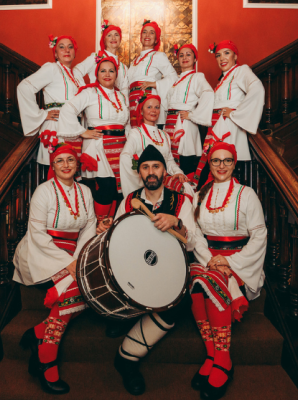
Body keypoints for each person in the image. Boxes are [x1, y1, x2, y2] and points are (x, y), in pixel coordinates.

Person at [97, 145, 195, 395]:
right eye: (145, 167)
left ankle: (127, 357)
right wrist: (106, 228)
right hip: (135, 266)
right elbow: (116, 237)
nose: (151, 172)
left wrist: (178, 222)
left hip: (169, 270)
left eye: (156, 166)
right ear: (138, 172)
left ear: (164, 171)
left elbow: (193, 240)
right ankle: (123, 314)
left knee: (182, 299)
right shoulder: (130, 200)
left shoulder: (181, 200)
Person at [13, 142, 96, 395]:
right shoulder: (42, 191)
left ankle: (39, 333)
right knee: (75, 286)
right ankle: (46, 359)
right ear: (53, 165)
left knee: (90, 285)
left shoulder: (85, 191)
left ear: (77, 163)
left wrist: (79, 259)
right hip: (40, 252)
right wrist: (67, 264)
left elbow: (89, 227)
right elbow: (37, 235)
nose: (66, 165)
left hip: (74, 252)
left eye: (70, 160)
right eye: (60, 161)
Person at [189, 142, 267, 400]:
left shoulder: (247, 194)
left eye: (227, 160)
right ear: (209, 164)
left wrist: (229, 263)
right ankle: (212, 353)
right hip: (209, 259)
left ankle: (223, 360)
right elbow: (197, 234)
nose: (221, 165)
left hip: (239, 263)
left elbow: (258, 235)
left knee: (212, 281)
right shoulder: (200, 194)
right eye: (216, 161)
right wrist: (212, 259)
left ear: (234, 163)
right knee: (196, 283)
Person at [58, 52, 130, 222]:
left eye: (111, 71)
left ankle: (111, 226)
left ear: (116, 74)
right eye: (103, 71)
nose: (107, 74)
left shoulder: (120, 96)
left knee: (118, 190)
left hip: (120, 147)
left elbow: (126, 124)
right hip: (99, 146)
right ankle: (99, 225)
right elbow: (68, 109)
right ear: (96, 74)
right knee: (106, 187)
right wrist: (82, 132)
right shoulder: (90, 93)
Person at [192, 40, 265, 188]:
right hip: (215, 126)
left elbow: (257, 88)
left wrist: (236, 113)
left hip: (227, 127)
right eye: (218, 55)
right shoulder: (223, 79)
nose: (222, 58)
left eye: (227, 53)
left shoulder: (241, 71)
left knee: (224, 165)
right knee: (212, 168)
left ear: (235, 56)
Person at [17, 35, 85, 181]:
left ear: (75, 52)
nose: (66, 50)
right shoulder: (52, 68)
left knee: (72, 172)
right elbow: (24, 87)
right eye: (61, 47)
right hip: (57, 125)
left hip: (75, 128)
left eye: (70, 47)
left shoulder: (77, 77)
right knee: (59, 169)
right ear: (55, 53)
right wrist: (42, 115)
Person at [119, 93, 194, 199]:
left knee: (186, 187)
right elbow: (125, 156)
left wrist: (178, 172)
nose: (153, 110)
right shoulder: (136, 133)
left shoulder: (164, 135)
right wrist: (141, 176)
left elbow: (168, 161)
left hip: (163, 178)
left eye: (157, 107)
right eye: (149, 107)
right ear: (141, 111)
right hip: (149, 180)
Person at [165, 43, 214, 175]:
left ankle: (186, 192)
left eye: (188, 54)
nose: (184, 57)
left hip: (184, 123)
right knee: (169, 160)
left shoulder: (197, 77)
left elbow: (208, 93)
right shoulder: (177, 80)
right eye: (181, 55)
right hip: (170, 123)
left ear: (195, 59)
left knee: (184, 161)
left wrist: (192, 115)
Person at [128, 20, 177, 128]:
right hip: (133, 103)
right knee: (136, 137)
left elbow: (173, 77)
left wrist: (154, 84)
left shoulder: (159, 56)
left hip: (149, 100)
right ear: (140, 37)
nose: (147, 35)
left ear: (156, 39)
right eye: (145, 32)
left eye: (152, 32)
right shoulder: (134, 62)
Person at [74, 20, 129, 98]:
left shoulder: (123, 67)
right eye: (109, 35)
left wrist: (124, 107)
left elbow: (125, 91)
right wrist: (85, 92)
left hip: (115, 104)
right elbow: (77, 71)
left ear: (120, 39)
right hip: (97, 101)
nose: (113, 38)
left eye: (116, 35)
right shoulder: (96, 58)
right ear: (104, 40)